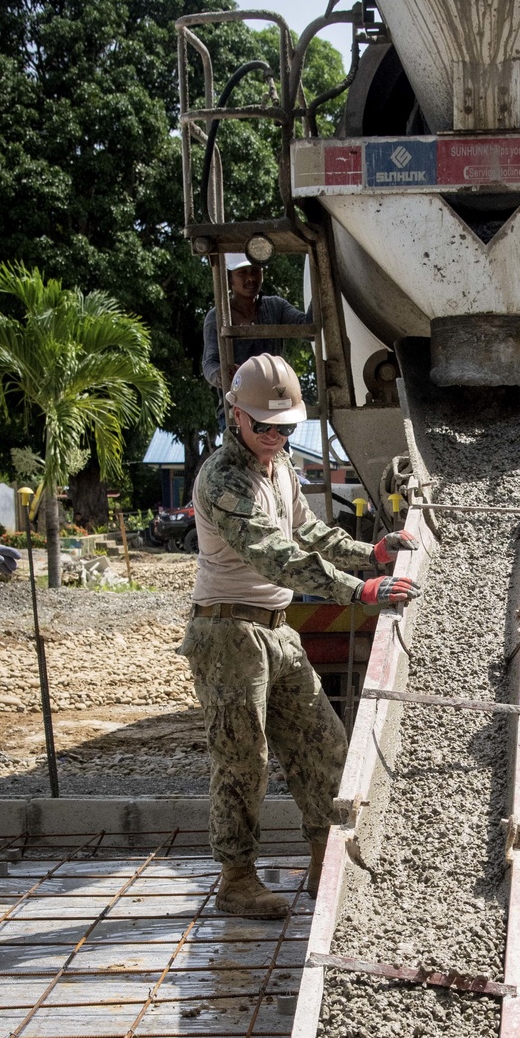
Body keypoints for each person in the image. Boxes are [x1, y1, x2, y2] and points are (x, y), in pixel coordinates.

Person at [181, 352, 421, 919]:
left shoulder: (280, 467)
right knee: (243, 759)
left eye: (285, 427)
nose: (273, 436)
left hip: (276, 630)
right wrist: (357, 590)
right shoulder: (222, 478)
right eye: (263, 425)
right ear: (234, 414)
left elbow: (306, 529)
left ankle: (323, 863)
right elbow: (274, 553)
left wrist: (371, 552)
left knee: (323, 745)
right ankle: (237, 878)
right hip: (227, 633)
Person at [202, 254, 312, 395]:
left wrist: (321, 286)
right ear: (229, 279)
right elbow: (210, 363)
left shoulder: (276, 306)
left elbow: (308, 329)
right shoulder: (217, 316)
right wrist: (221, 375)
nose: (250, 278)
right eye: (242, 273)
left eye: (255, 271)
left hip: (273, 401)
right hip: (236, 405)